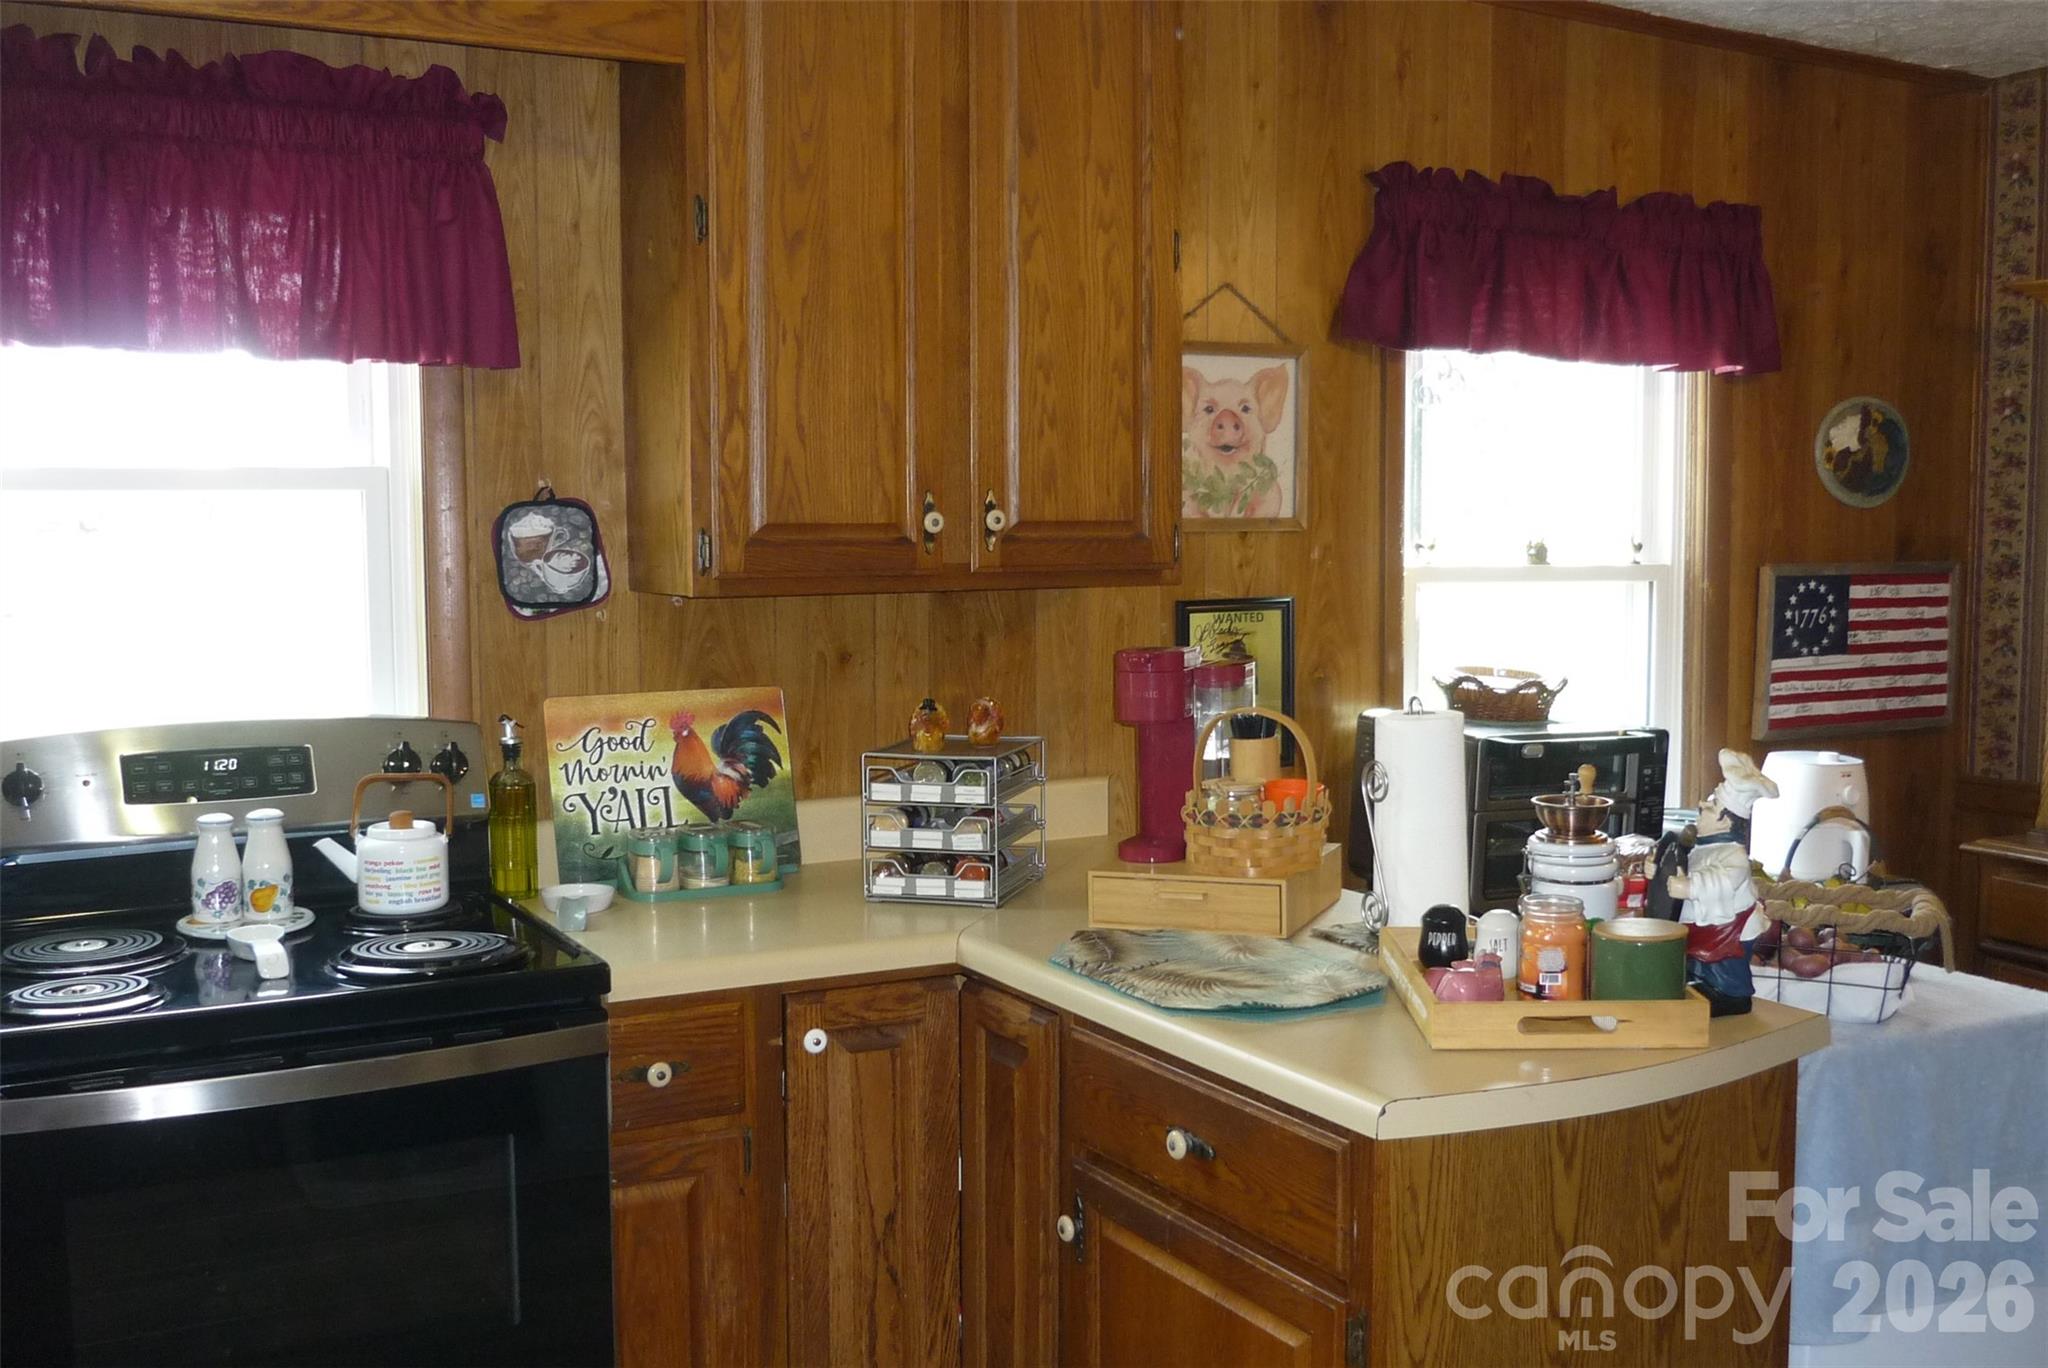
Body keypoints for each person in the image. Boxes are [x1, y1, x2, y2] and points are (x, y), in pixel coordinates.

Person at [1665, 749, 1780, 1015]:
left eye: (1712, 806)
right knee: (1698, 961)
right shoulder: (1703, 847)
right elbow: (1682, 863)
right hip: (1706, 925)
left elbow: (1724, 880)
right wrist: (1659, 869)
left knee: (1726, 964)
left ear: (1725, 821)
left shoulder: (1734, 855)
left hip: (1728, 929)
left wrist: (1690, 887)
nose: (1702, 807)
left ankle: (1732, 997)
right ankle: (1702, 986)